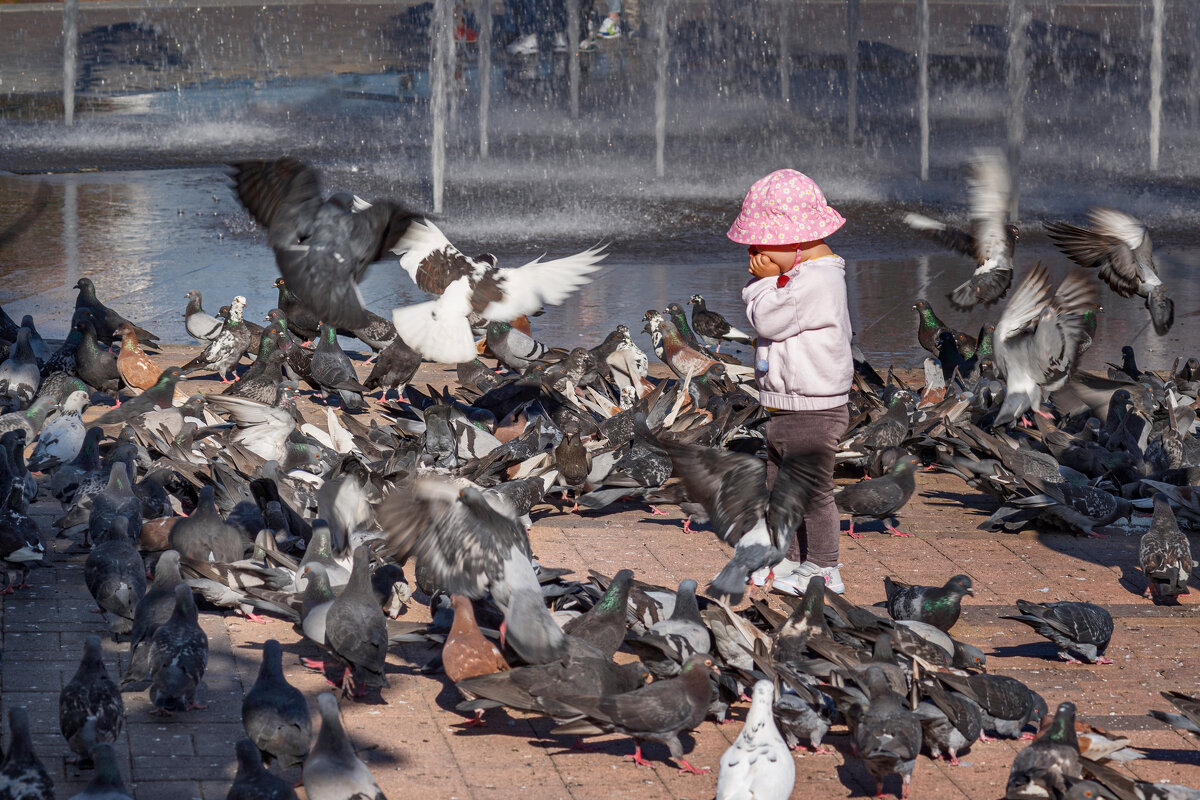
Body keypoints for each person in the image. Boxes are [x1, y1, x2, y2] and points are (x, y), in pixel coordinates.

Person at [728, 169, 853, 595]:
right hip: (792, 403)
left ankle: (824, 569)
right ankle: (797, 560)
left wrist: (760, 283)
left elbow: (766, 318)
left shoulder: (817, 280)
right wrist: (770, 275)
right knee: (782, 488)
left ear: (793, 239)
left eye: (759, 246)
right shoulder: (803, 274)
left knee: (812, 492)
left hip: (814, 407)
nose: (753, 256)